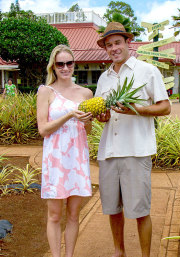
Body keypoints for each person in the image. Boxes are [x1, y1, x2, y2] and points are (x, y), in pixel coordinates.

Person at [94, 22, 171, 257]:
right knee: (113, 209)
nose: (113, 48)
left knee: (140, 210)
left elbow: (165, 107)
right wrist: (102, 116)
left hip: (136, 151)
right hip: (109, 151)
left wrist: (137, 109)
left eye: (117, 42)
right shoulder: (103, 79)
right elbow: (102, 117)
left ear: (128, 43)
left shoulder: (147, 71)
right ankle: (120, 252)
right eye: (109, 45)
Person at [36, 45, 94, 257]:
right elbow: (43, 129)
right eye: (60, 64)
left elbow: (87, 130)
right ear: (54, 66)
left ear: (74, 65)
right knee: (54, 214)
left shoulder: (85, 93)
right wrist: (69, 115)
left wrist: (87, 121)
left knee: (73, 214)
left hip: (77, 159)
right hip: (56, 160)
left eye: (69, 63)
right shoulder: (46, 91)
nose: (65, 67)